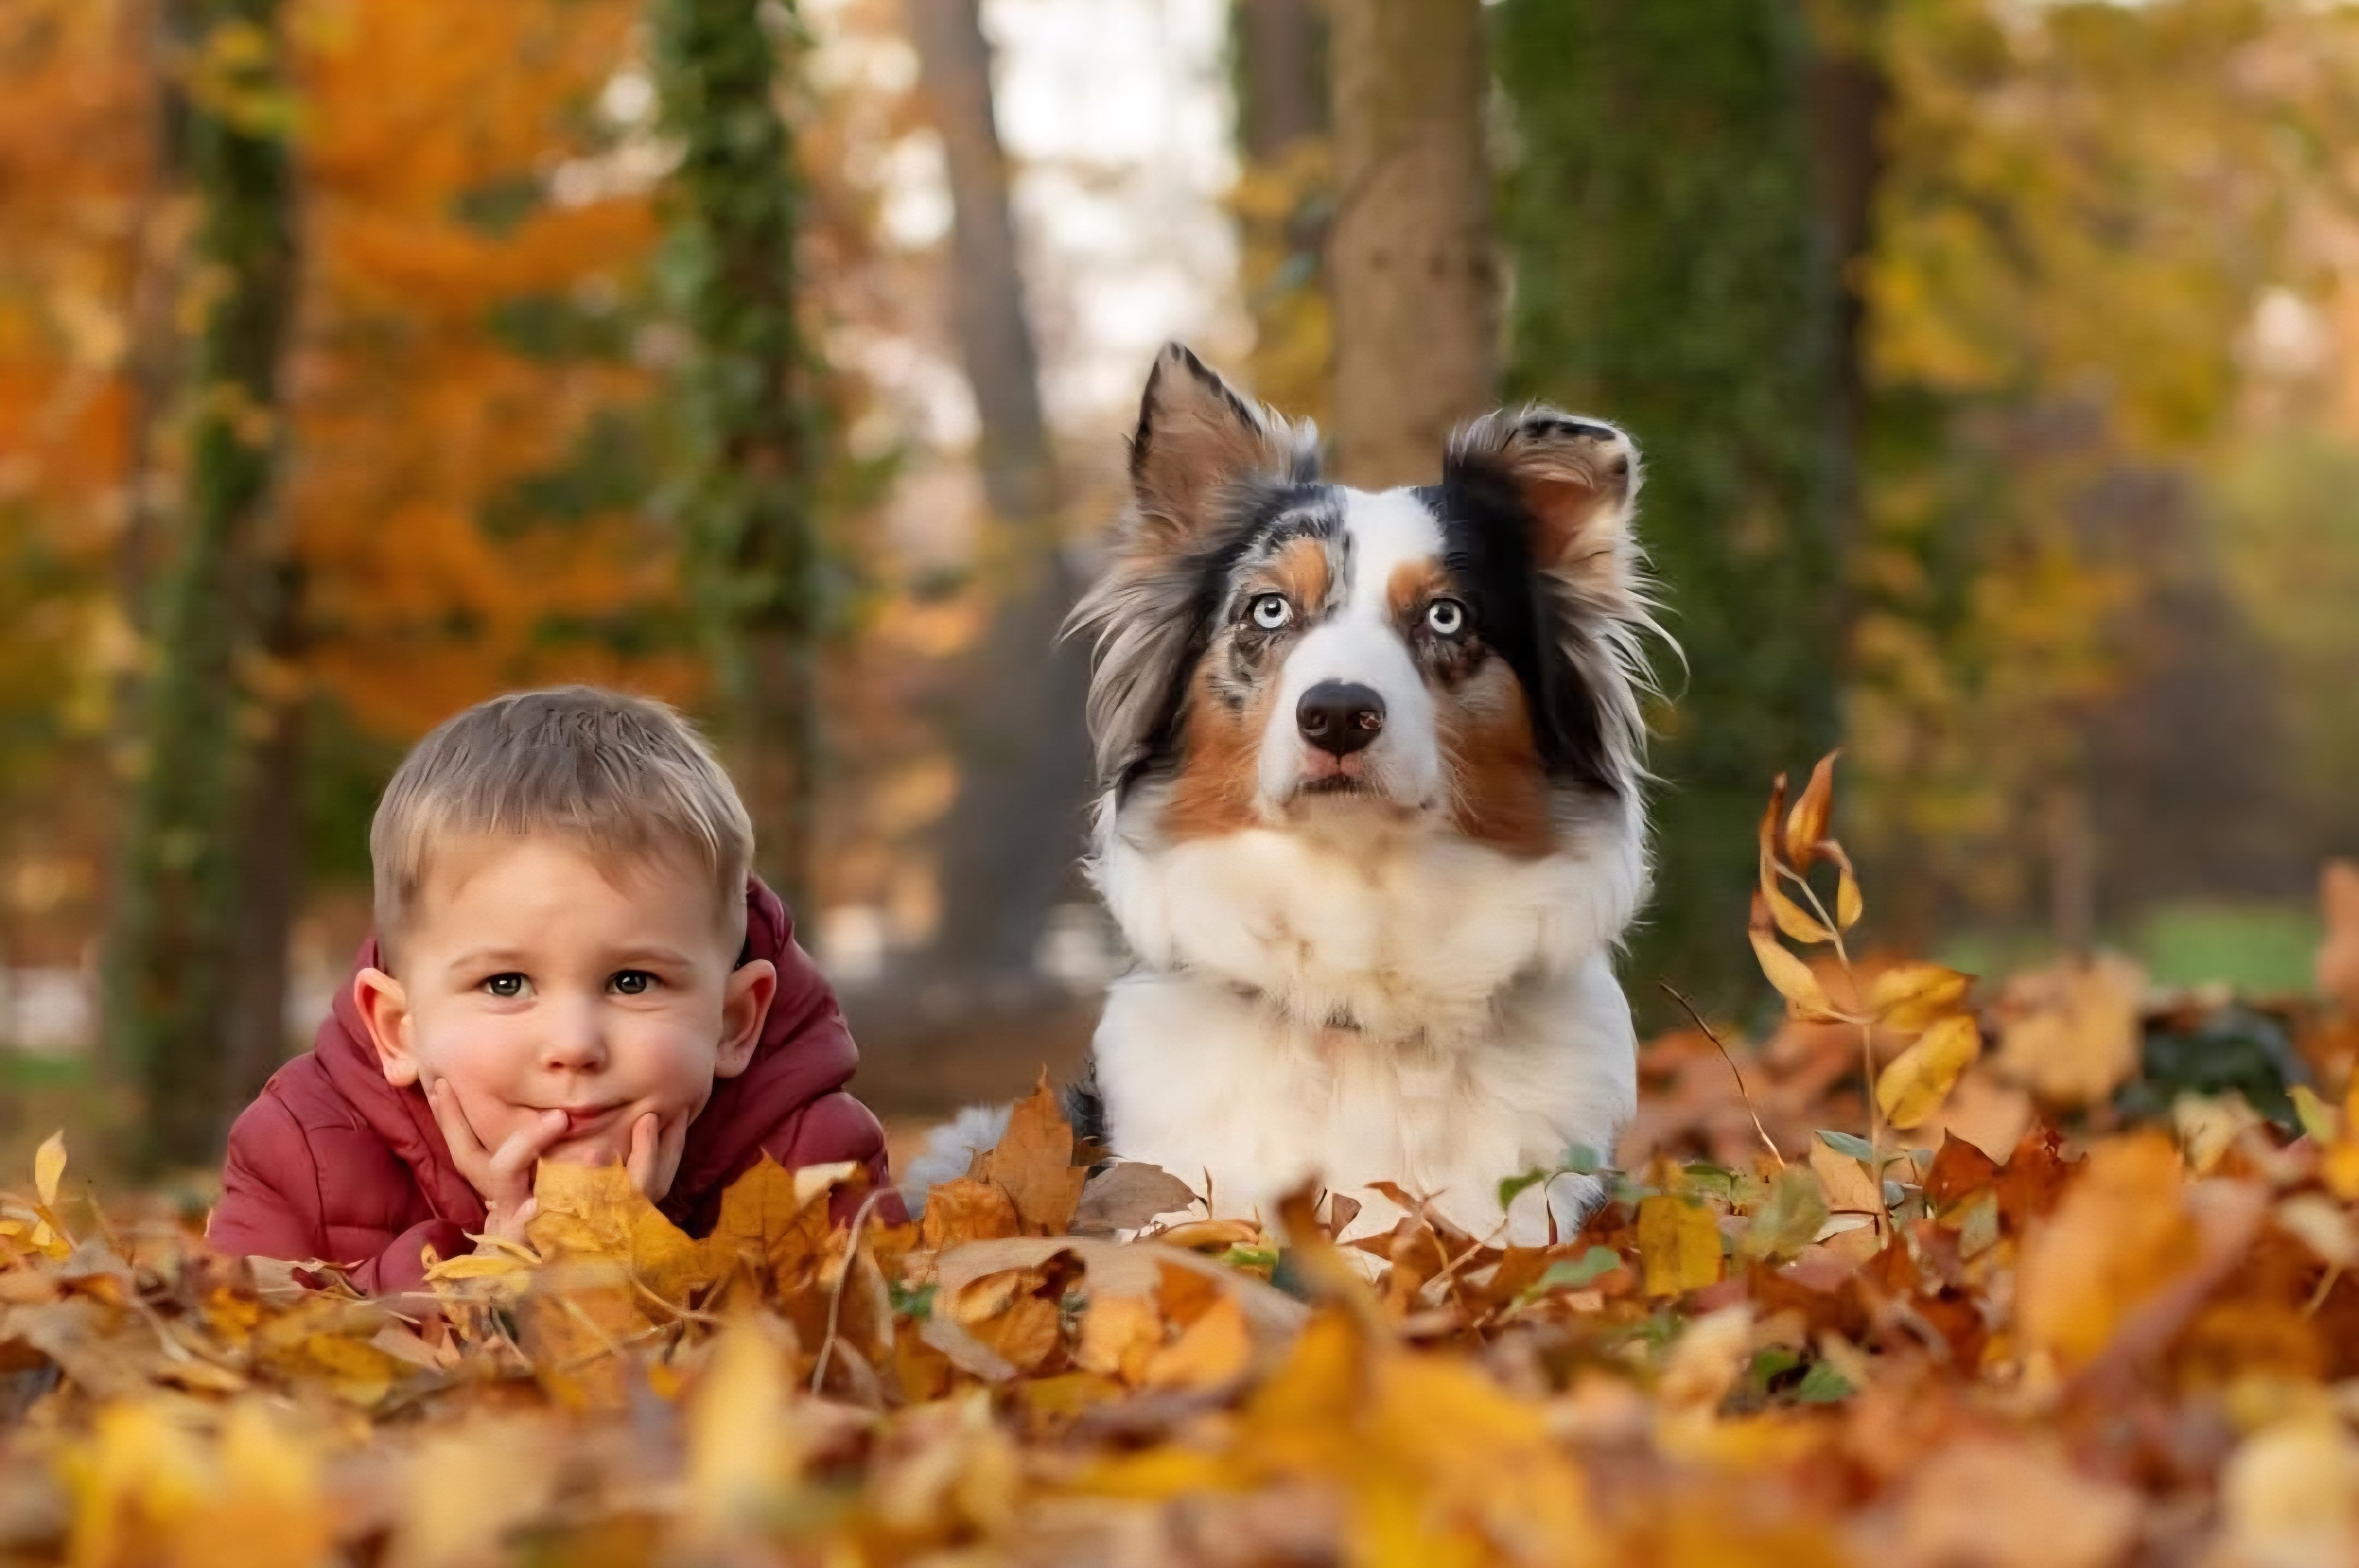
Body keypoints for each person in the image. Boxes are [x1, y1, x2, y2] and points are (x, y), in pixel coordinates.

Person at [208, 685, 894, 1293]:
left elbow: (856, 1381)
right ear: (398, 1029)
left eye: (632, 981)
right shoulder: (299, 1154)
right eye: (506, 983)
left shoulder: (814, 1163)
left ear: (735, 1021)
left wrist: (639, 1261)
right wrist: (498, 1269)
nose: (573, 1045)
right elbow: (251, 1375)